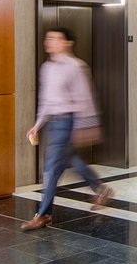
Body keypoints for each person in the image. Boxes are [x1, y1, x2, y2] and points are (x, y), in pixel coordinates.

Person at [21, 27, 114, 230]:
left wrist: (86, 127)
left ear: (67, 43)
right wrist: (38, 124)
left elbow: (85, 99)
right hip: (53, 124)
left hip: (68, 122)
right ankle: (100, 190)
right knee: (72, 160)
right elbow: (45, 101)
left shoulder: (76, 66)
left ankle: (43, 214)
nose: (50, 41)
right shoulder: (47, 68)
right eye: (48, 38)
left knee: (52, 168)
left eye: (56, 38)